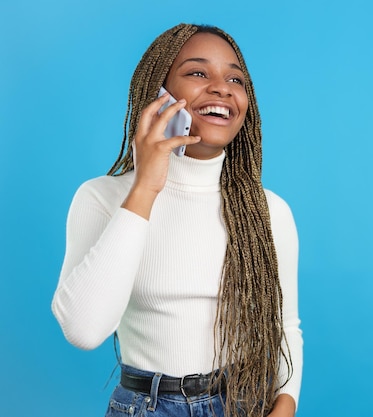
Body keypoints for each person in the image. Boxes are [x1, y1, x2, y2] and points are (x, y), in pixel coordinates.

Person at [52, 23, 302, 417]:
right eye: (198, 72)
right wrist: (146, 186)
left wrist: (286, 403)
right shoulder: (103, 198)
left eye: (235, 78)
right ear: (158, 93)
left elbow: (285, 325)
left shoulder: (269, 211)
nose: (222, 87)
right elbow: (84, 331)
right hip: (149, 406)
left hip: (243, 401)